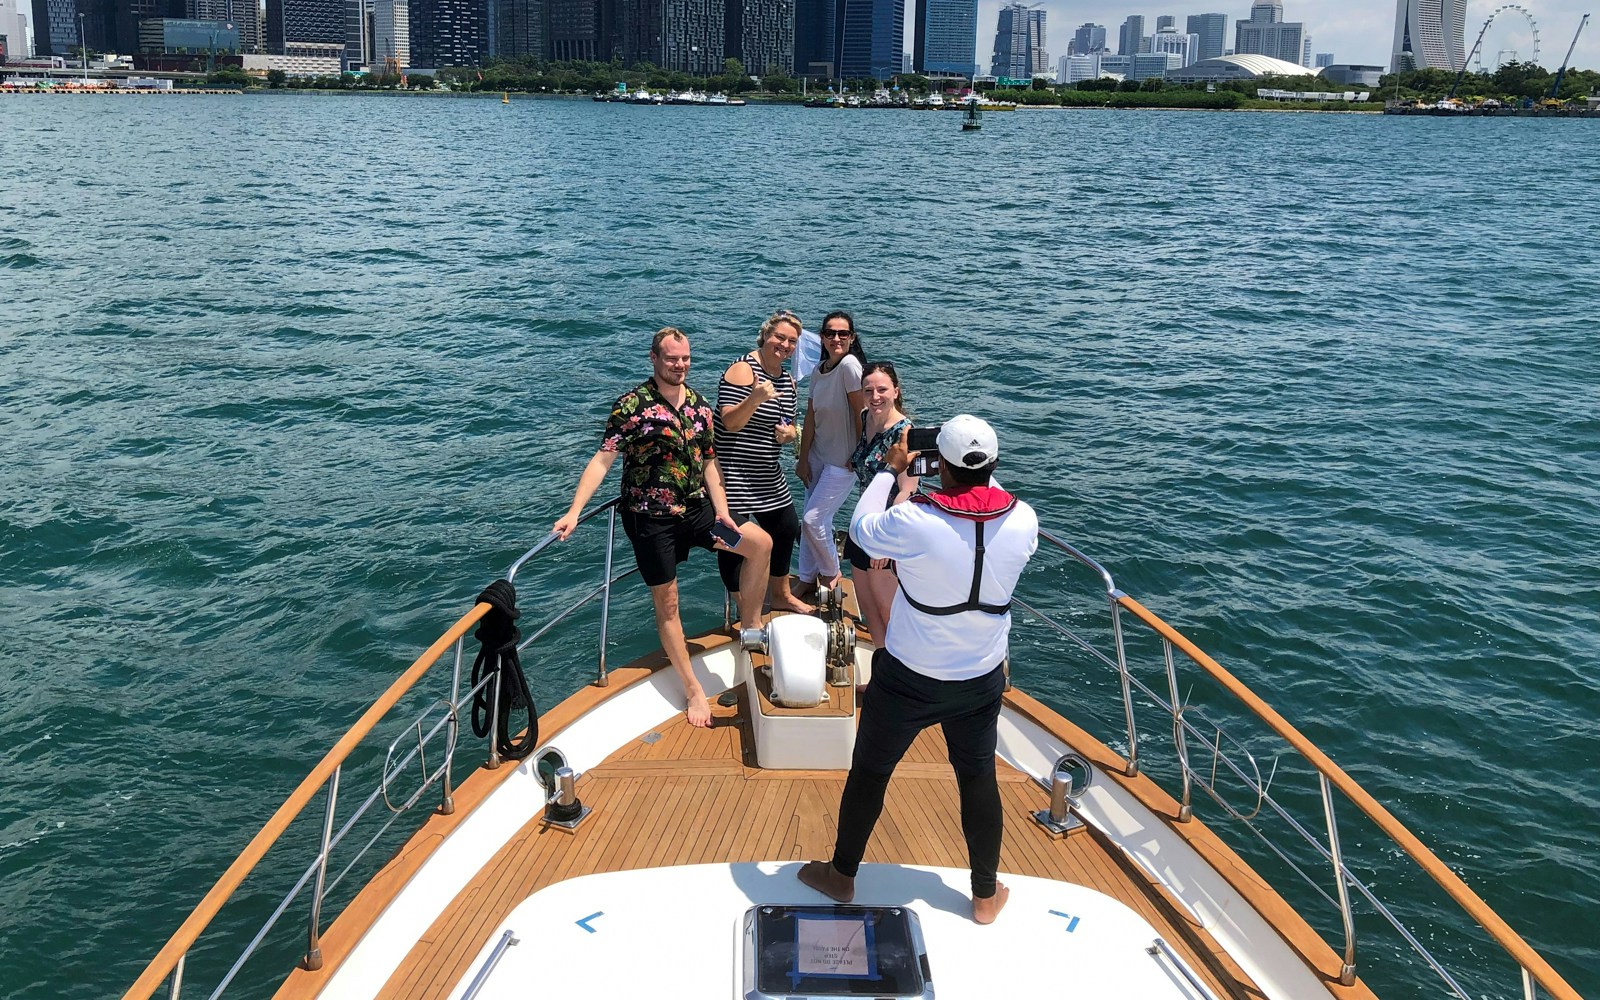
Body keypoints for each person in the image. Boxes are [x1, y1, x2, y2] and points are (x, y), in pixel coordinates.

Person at [798, 415, 1039, 924]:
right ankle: (984, 896)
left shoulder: (916, 520)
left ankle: (841, 875)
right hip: (980, 677)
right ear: (993, 465)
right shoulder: (1024, 521)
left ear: (942, 468)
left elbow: (863, 533)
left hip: (909, 676)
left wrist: (894, 473)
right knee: (977, 776)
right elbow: (985, 498)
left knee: (871, 771)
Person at [553, 327, 773, 729]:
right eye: (672, 358)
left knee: (759, 544)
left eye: (685, 358)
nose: (679, 365)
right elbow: (602, 461)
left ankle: (752, 625)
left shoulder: (699, 405)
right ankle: (692, 689)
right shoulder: (632, 406)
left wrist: (722, 511)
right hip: (651, 522)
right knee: (668, 604)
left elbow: (709, 462)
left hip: (698, 514)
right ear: (654, 358)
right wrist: (574, 510)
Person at [714, 310, 812, 614]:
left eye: (791, 341)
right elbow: (728, 422)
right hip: (732, 472)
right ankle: (744, 607)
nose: (784, 344)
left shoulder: (787, 380)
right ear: (765, 336)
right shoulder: (743, 370)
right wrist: (754, 398)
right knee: (734, 538)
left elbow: (786, 423)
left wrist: (787, 435)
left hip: (767, 470)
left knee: (785, 529)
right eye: (779, 337)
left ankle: (780, 594)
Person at [844, 362, 918, 650]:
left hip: (888, 533)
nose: (875, 396)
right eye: (868, 390)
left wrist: (887, 543)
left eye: (882, 390)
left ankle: (902, 686)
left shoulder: (904, 434)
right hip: (863, 526)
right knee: (870, 612)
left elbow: (907, 492)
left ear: (896, 392)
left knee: (892, 617)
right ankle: (881, 678)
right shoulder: (866, 419)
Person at [794, 311, 865, 599]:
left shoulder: (850, 366)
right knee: (809, 522)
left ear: (852, 338)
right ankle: (806, 578)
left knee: (814, 520)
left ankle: (830, 573)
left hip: (842, 461)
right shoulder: (818, 370)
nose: (836, 338)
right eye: (830, 333)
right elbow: (810, 416)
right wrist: (802, 458)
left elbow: (861, 413)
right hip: (817, 457)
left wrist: (859, 454)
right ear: (822, 337)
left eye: (843, 334)